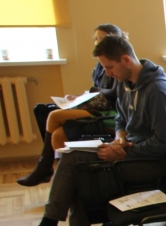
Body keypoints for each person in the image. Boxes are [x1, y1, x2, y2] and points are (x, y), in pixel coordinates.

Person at [2, 36, 166, 226]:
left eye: (109, 67)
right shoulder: (126, 83)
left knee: (79, 167)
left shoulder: (157, 90)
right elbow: (121, 120)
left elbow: (163, 143)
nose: (107, 74)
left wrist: (125, 152)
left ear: (126, 60)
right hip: (132, 152)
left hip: (154, 163)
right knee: (74, 162)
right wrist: (120, 139)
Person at [19, 23, 123, 186]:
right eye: (96, 38)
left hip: (109, 112)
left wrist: (89, 94)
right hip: (98, 107)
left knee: (54, 115)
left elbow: (114, 93)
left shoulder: (117, 61)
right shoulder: (98, 65)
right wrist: (81, 97)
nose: (98, 42)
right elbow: (99, 91)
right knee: (56, 132)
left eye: (102, 38)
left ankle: (44, 168)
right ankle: (65, 179)